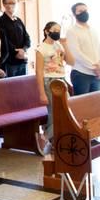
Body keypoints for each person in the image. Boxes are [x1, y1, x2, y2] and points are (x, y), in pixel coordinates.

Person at [36, 21, 69, 149]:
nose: (57, 33)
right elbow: (38, 72)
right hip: (49, 81)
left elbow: (71, 61)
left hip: (62, 79)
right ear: (46, 31)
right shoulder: (41, 48)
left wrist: (65, 44)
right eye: (54, 30)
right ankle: (45, 138)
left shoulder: (59, 45)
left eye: (58, 30)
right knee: (54, 112)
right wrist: (42, 93)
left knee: (66, 111)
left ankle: (51, 138)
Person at [66, 2, 100, 95]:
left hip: (96, 74)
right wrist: (95, 67)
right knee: (82, 106)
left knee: (96, 105)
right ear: (74, 14)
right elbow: (77, 53)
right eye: (80, 11)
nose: (84, 13)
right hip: (81, 74)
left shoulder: (93, 30)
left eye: (85, 10)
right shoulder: (72, 31)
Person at [0, 0, 31, 77]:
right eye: (9, 3)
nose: (11, 5)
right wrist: (16, 52)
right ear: (4, 4)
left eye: (14, 3)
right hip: (10, 60)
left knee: (24, 86)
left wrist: (24, 49)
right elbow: (4, 39)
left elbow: (27, 37)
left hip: (22, 59)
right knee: (11, 87)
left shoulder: (18, 20)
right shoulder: (0, 20)